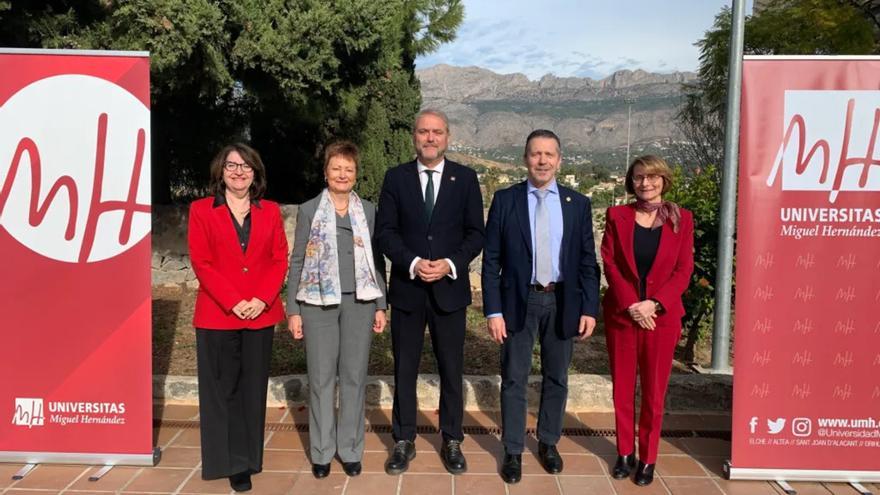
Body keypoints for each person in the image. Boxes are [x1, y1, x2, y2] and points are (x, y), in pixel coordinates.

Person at [482, 130, 600, 484]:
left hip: (563, 299)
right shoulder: (506, 201)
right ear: (525, 159)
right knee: (514, 377)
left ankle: (548, 442)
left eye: (549, 154)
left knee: (557, 378)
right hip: (520, 300)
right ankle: (514, 449)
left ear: (559, 160)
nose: (543, 160)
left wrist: (590, 308)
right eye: (536, 154)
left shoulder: (577, 204)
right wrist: (493, 311)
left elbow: (586, 262)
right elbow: (491, 261)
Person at [375, 109, 485, 475]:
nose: (430, 138)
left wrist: (450, 263)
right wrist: (413, 262)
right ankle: (403, 440)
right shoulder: (396, 178)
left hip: (449, 290)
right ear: (414, 136)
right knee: (404, 368)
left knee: (451, 369)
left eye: (437, 132)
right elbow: (386, 232)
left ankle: (452, 439)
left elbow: (476, 234)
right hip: (408, 289)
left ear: (447, 137)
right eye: (423, 131)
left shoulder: (466, 179)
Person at [188, 143, 289, 493]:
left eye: (246, 166)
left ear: (255, 173)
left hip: (260, 315)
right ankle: (226, 461)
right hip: (218, 314)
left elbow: (279, 259)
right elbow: (202, 262)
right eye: (232, 165)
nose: (238, 171)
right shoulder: (201, 210)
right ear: (221, 171)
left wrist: (261, 299)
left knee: (251, 389)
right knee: (222, 390)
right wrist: (234, 301)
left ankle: (248, 459)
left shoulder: (271, 211)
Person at [286, 141, 387, 479]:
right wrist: (293, 310)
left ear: (356, 174)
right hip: (317, 305)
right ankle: (322, 452)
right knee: (321, 380)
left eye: (349, 169)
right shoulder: (309, 209)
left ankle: (351, 449)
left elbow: (376, 262)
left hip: (360, 303)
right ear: (325, 172)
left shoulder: (369, 211)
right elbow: (298, 259)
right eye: (336, 168)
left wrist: (380, 305)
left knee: (355, 378)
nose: (342, 174)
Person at [601, 155, 694, 486]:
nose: (646, 183)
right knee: (623, 389)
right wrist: (632, 305)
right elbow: (610, 262)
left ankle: (648, 457)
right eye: (639, 177)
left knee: (655, 392)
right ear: (631, 181)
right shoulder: (617, 216)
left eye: (652, 177)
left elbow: (684, 270)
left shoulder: (681, 219)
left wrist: (654, 304)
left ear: (664, 180)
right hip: (623, 317)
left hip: (662, 319)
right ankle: (624, 452)